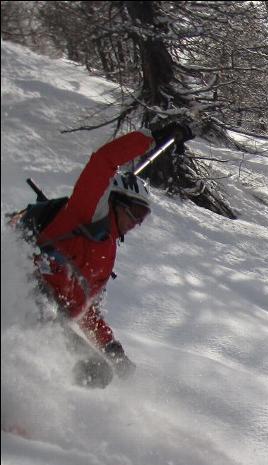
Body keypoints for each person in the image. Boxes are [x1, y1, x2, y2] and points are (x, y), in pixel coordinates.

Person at [32, 123, 188, 387]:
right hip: (26, 291)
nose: (137, 223)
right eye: (136, 213)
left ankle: (31, 407)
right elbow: (103, 160)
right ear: (114, 202)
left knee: (96, 371)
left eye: (144, 217)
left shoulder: (105, 252)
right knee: (54, 345)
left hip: (49, 314)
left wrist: (111, 348)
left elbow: (84, 307)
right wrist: (150, 139)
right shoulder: (85, 213)